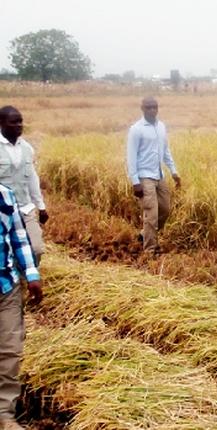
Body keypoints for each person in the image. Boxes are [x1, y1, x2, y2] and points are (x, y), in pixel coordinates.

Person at [0, 183, 43, 430]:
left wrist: (31, 273)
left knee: (10, 349)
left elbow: (18, 236)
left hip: (6, 285)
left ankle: (5, 414)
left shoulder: (6, 195)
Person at [126, 97, 181, 253]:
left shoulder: (161, 127)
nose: (152, 110)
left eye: (154, 107)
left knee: (165, 209)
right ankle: (150, 250)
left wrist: (174, 171)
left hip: (159, 175)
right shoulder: (136, 129)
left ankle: (145, 235)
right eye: (148, 107)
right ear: (142, 108)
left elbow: (166, 151)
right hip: (144, 177)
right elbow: (131, 157)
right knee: (151, 214)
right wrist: (135, 182)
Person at [0, 106, 48, 264]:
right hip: (3, 212)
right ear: (2, 123)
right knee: (5, 251)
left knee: (37, 249)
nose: (19, 125)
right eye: (13, 122)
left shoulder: (27, 148)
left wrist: (41, 206)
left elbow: (32, 178)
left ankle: (29, 278)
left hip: (25, 208)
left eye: (20, 122)